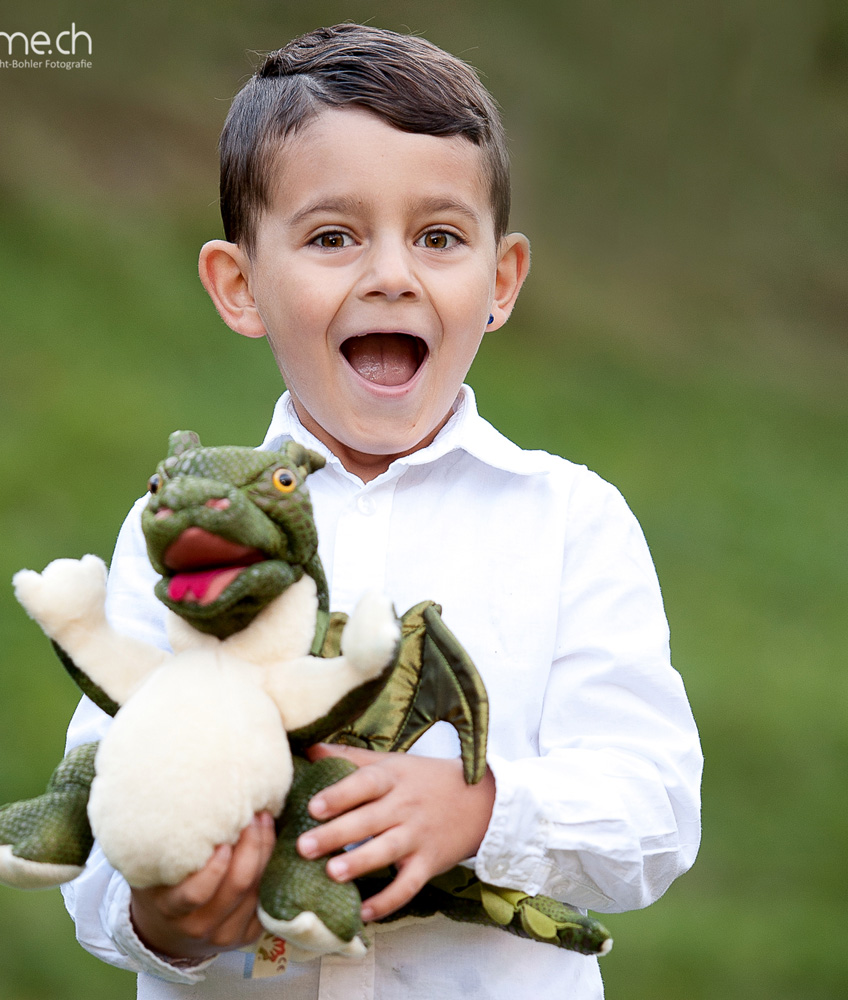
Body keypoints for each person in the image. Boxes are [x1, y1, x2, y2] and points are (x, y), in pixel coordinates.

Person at [60, 23, 702, 999]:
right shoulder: (185, 530)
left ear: (500, 281)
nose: (392, 275)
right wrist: (162, 912)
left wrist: (484, 810)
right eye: (333, 237)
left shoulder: (569, 521)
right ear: (240, 286)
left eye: (439, 237)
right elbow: (97, 802)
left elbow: (654, 810)